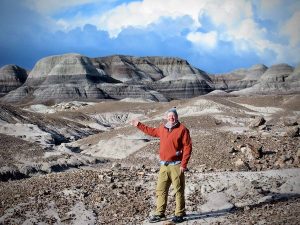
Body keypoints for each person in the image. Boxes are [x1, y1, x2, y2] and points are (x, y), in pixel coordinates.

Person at [131, 107, 192, 223]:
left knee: (178, 190)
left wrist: (184, 164)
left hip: (176, 165)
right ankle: (160, 213)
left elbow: (188, 147)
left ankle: (180, 213)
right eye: (169, 116)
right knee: (161, 190)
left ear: (177, 117)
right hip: (164, 165)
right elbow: (151, 131)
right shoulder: (163, 129)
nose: (171, 118)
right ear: (167, 118)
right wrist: (138, 124)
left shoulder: (183, 129)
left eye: (173, 116)